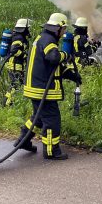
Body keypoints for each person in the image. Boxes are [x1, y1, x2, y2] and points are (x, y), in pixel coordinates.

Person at [14, 13, 81, 159]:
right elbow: (54, 58)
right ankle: (51, 151)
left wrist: (71, 75)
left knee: (38, 117)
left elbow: (52, 66)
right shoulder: (48, 40)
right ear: (57, 28)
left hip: (35, 87)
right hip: (42, 89)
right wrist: (66, 55)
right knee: (52, 119)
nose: (64, 32)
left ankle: (23, 141)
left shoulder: (43, 38)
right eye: (63, 29)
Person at [2, 18, 31, 106]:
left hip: (14, 65)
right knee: (16, 85)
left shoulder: (17, 36)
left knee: (16, 84)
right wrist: (25, 55)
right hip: (15, 65)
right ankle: (6, 103)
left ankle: (8, 101)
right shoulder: (19, 37)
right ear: (24, 28)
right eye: (27, 28)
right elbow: (14, 50)